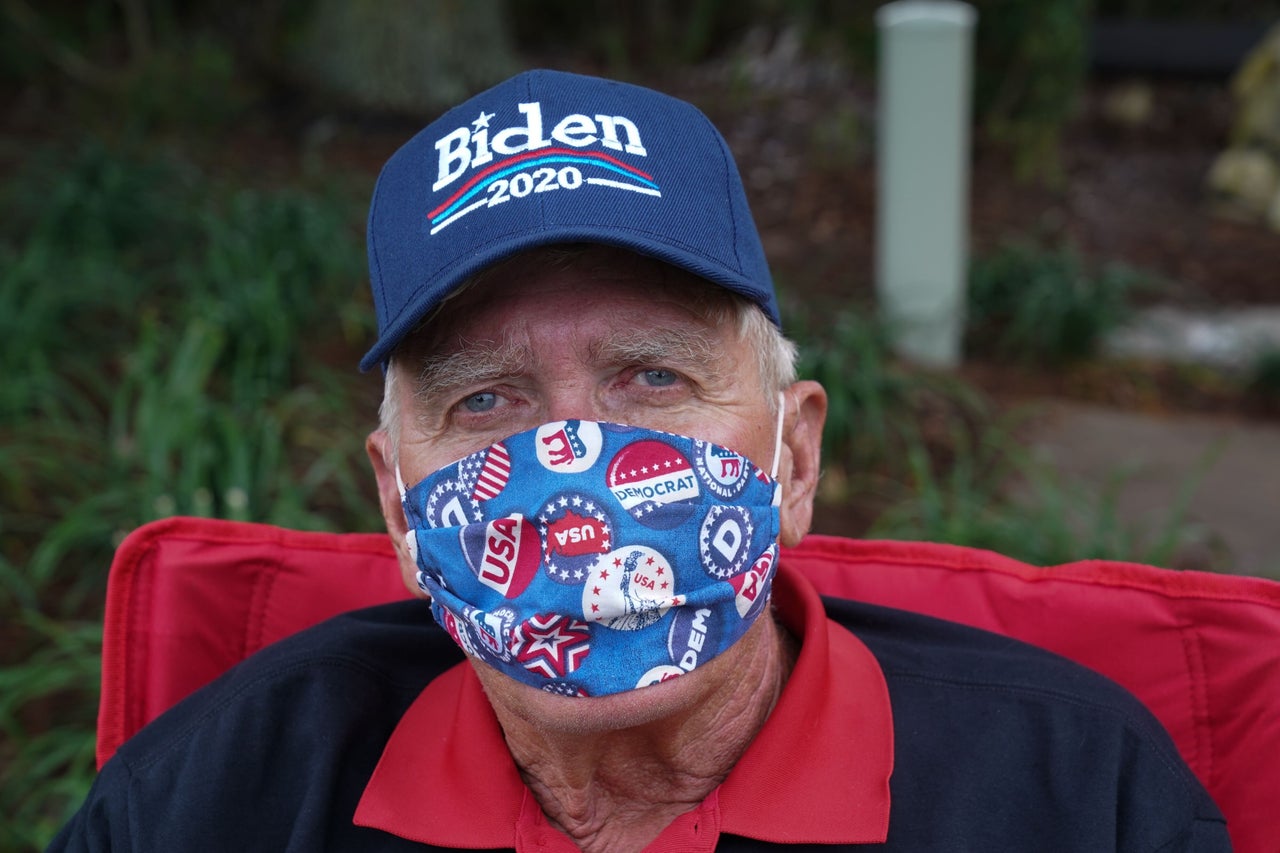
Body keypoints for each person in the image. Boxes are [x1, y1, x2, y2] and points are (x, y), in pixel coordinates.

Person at [51, 70, 1229, 852]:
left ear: (795, 454)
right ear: (395, 505)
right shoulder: (208, 802)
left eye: (651, 378)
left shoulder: (1079, 797)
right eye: (485, 398)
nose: (573, 461)